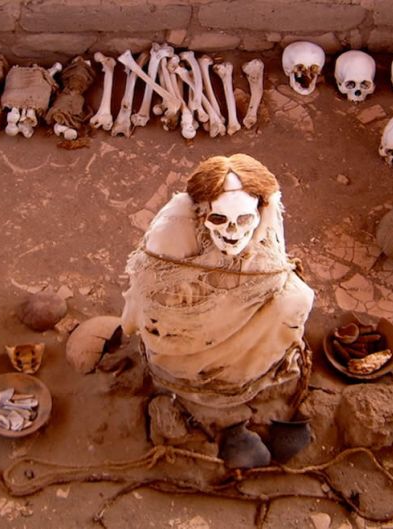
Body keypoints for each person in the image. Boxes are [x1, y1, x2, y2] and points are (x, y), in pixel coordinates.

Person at [121, 154, 315, 464]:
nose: (233, 232)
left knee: (297, 298)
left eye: (244, 220)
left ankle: (243, 373)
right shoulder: (172, 228)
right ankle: (195, 377)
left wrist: (240, 286)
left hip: (240, 317)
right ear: (202, 213)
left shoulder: (268, 213)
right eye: (219, 219)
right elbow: (155, 302)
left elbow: (274, 267)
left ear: (259, 210)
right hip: (187, 325)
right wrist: (214, 295)